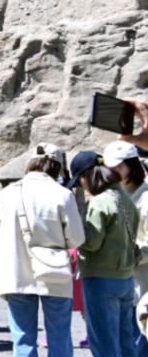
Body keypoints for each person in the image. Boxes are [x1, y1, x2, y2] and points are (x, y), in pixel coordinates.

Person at [0, 143, 85, 357]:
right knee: (59, 335)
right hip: (55, 272)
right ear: (56, 167)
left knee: (22, 337)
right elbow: (77, 238)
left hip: (17, 272)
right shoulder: (63, 194)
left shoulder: (8, 193)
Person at [70, 150, 141, 357]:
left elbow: (92, 243)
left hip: (100, 278)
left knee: (104, 342)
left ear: (88, 176)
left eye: (80, 179)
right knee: (126, 341)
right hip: (125, 278)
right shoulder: (124, 197)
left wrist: (74, 233)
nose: (81, 185)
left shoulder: (100, 202)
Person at [104, 140, 148, 298]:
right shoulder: (112, 194)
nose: (113, 171)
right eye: (109, 167)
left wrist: (125, 257)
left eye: (118, 166)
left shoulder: (145, 197)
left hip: (142, 280)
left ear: (132, 165)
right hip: (115, 278)